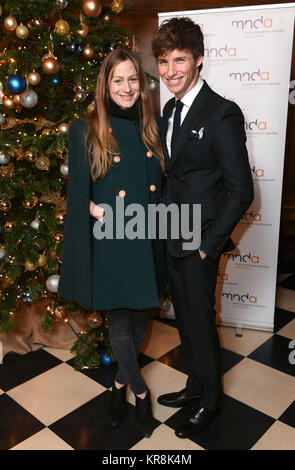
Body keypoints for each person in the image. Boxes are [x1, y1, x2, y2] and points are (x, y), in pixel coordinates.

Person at [152, 17, 254, 438]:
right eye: (163, 61)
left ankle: (210, 402)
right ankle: (195, 386)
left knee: (200, 321)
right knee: (186, 322)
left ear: (198, 60)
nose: (170, 70)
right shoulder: (169, 110)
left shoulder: (222, 112)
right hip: (170, 237)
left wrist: (208, 247)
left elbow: (241, 190)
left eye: (179, 60)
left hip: (198, 243)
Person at [58, 48, 166, 438]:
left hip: (146, 236)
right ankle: (139, 390)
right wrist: (100, 212)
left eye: (133, 80)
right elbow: (77, 195)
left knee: (140, 321)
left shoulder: (151, 126)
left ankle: (118, 384)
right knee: (121, 322)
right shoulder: (86, 128)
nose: (127, 88)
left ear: (142, 83)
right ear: (105, 85)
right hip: (114, 240)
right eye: (118, 80)